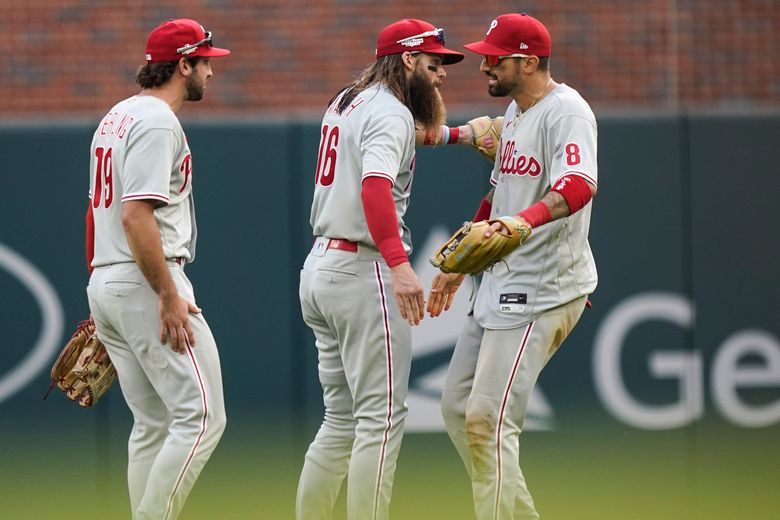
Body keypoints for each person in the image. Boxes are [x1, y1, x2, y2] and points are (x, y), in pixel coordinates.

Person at [427, 13, 599, 520]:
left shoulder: (567, 112)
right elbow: (500, 195)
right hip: (502, 282)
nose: (485, 64)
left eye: (494, 57)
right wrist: (460, 263)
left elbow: (579, 185)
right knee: (458, 410)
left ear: (527, 60)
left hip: (544, 287)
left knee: (486, 420)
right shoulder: (517, 112)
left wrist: (523, 222)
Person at [297, 18, 464, 520]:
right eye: (434, 64)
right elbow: (374, 188)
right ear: (408, 60)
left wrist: (455, 134)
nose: (441, 76)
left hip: (321, 266)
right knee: (380, 421)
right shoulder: (390, 112)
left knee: (340, 421)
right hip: (363, 267)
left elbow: (401, 138)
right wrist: (399, 264)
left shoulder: (347, 97)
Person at [85, 19, 230, 520]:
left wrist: (103, 293)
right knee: (202, 417)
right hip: (146, 279)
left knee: (152, 423)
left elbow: (96, 213)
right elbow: (135, 214)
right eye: (207, 62)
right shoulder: (156, 121)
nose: (211, 72)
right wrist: (166, 294)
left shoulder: (117, 116)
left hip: (111, 278)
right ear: (184, 63)